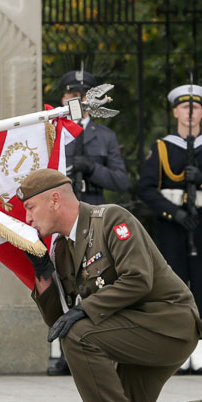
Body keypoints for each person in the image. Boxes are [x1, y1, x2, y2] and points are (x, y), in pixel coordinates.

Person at [19, 168, 202, 402]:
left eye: (30, 207)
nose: (27, 218)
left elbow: (139, 279)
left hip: (168, 324)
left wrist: (83, 311)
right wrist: (43, 274)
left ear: (55, 200)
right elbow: (59, 323)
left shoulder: (110, 220)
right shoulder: (63, 251)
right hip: (133, 331)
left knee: (80, 336)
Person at [137, 84, 202, 374]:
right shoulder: (162, 147)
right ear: (175, 112)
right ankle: (179, 351)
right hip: (173, 224)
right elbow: (145, 188)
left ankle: (201, 353)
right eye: (185, 108)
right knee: (175, 288)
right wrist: (174, 213)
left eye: (195, 108)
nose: (190, 113)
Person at [49, 67, 129, 376]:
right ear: (63, 98)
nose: (77, 100)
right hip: (62, 215)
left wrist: (92, 169)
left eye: (83, 95)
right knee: (65, 278)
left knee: (97, 278)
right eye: (72, 95)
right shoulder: (53, 132)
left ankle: (97, 347)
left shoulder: (104, 136)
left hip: (93, 209)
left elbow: (121, 180)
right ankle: (63, 350)